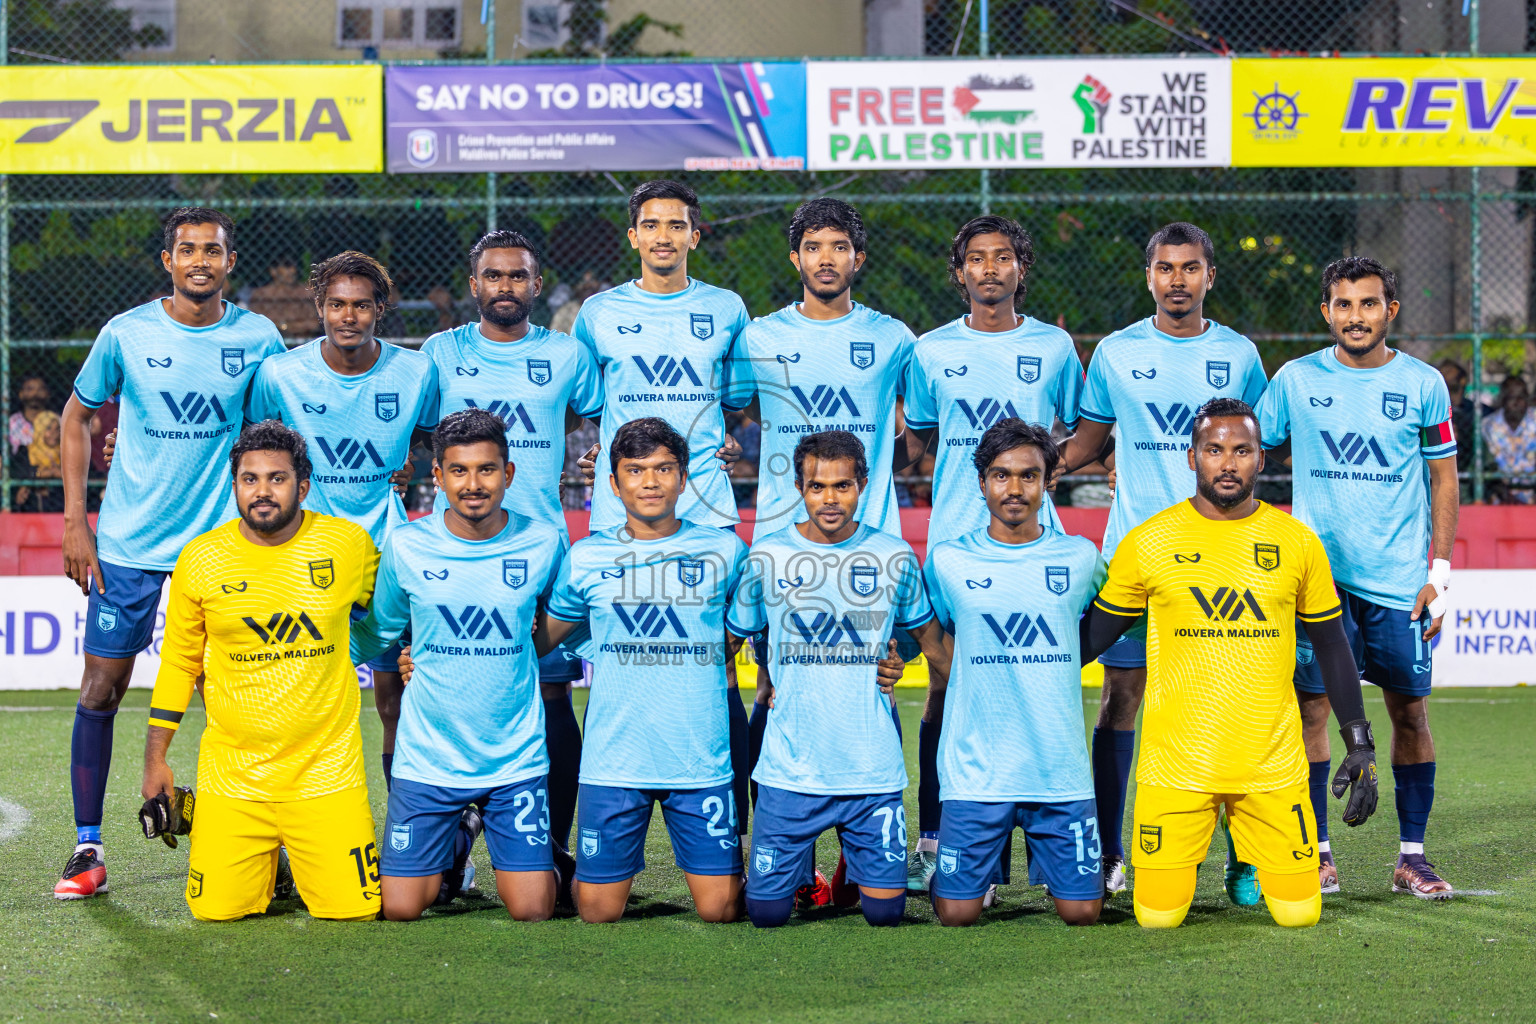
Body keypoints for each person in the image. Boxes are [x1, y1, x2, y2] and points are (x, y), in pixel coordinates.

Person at [54, 207, 285, 900]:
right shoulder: (126, 333)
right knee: (101, 690)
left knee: (233, 701)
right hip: (127, 545)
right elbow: (75, 417)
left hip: (220, 551)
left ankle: (255, 844)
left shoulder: (258, 337)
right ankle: (86, 847)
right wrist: (75, 521)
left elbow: (271, 435)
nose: (200, 261)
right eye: (187, 250)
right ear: (168, 261)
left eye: (212, 251)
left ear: (230, 262)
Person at [1082, 398, 1380, 929]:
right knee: (1156, 919)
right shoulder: (1148, 541)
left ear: (1261, 460)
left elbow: (1334, 647)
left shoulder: (1297, 542)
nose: (1228, 462)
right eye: (1214, 450)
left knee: (1299, 915)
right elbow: (1087, 640)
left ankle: (1244, 860)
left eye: (1241, 450)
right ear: (1191, 456)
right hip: (1175, 768)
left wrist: (1359, 741)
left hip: (1271, 767)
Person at [1054, 222, 1268, 902]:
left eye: (1191, 267)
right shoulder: (1116, 353)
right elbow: (1088, 440)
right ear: (1149, 276)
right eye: (1166, 267)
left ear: (1210, 276)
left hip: (1222, 564)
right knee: (1120, 701)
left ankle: (1246, 858)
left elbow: (1261, 446)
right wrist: (1023, 468)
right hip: (1136, 561)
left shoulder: (1238, 354)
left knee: (1233, 708)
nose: (1178, 279)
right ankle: (1112, 852)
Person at [721, 198, 920, 894]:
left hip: (870, 543)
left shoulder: (894, 337)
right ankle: (789, 855)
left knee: (876, 683)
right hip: (781, 542)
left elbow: (919, 422)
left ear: (857, 258)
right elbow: (728, 412)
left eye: (840, 246)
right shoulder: (758, 336)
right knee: (772, 685)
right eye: (813, 246)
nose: (826, 258)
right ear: (795, 258)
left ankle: (864, 853)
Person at [1257, 257, 1460, 898]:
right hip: (1318, 582)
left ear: (1389, 312)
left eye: (1368, 304)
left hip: (1399, 583)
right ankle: (1318, 854)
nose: (1355, 317)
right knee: (1312, 711)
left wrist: (1442, 572)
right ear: (1326, 312)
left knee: (1410, 714)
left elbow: (1444, 477)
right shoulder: (1294, 380)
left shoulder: (1424, 384)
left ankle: (1412, 857)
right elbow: (1244, 449)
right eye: (1343, 305)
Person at [898, 215, 1085, 891]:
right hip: (953, 545)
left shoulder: (1056, 347)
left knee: (1041, 679)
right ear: (960, 273)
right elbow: (919, 438)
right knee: (946, 686)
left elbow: (1085, 426)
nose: (989, 270)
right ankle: (935, 837)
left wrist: (1054, 474)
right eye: (976, 260)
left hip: (1036, 545)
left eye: (1003, 257)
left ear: (1020, 269)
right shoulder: (929, 351)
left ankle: (1049, 838)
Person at [571, 180, 753, 841]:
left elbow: (734, 400)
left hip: (706, 512)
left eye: (677, 225)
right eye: (651, 225)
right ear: (634, 237)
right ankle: (591, 836)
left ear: (694, 236)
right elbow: (593, 406)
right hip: (620, 521)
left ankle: (732, 837)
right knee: (616, 668)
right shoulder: (597, 313)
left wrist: (719, 445)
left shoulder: (727, 309)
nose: (664, 237)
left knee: (718, 666)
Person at [141, 421, 381, 921]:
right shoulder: (201, 558)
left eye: (277, 478)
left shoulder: (348, 545)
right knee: (215, 911)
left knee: (356, 909)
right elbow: (180, 663)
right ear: (234, 485)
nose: (262, 491)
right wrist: (155, 760)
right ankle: (252, 850)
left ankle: (294, 855)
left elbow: (395, 611)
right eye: (249, 479)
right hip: (234, 777)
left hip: (325, 774)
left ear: (304, 486)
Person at [421, 230, 604, 854]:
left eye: (518, 276)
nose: (506, 286)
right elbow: (412, 429)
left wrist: (600, 449)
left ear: (534, 284)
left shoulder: (567, 354)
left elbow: (601, 416)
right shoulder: (440, 354)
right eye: (493, 276)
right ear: (475, 285)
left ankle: (550, 841)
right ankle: (448, 845)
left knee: (553, 690)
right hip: (455, 549)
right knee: (453, 687)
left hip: (540, 550)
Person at [725, 430, 950, 928]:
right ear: (800, 489)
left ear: (863, 485)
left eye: (843, 486)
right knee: (765, 914)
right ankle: (811, 873)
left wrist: (903, 661)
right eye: (817, 486)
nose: (830, 499)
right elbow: (732, 639)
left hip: (869, 765)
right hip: (790, 767)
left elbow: (925, 639)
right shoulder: (766, 556)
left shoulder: (893, 556)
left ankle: (854, 869)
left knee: (886, 915)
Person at [351, 409, 568, 922]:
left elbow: (560, 623)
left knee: (533, 909)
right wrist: (326, 656)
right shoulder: (406, 545)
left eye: (487, 469)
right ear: (439, 476)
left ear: (508, 474)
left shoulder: (543, 543)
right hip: (429, 755)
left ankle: (546, 856)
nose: (474, 484)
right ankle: (454, 845)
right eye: (460, 471)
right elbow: (381, 628)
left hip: (513, 756)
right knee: (401, 908)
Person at [537, 418, 750, 923]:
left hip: (698, 758)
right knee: (595, 912)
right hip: (615, 758)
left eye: (663, 469)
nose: (650, 482)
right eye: (635, 471)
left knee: (721, 910)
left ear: (685, 476)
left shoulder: (726, 551)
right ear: (613, 483)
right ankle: (555, 866)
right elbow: (541, 640)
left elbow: (746, 629)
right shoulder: (586, 556)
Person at [246, 251, 439, 797]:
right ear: (319, 307)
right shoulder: (280, 374)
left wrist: (407, 464)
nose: (347, 316)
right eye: (336, 305)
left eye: (360, 306)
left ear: (381, 309)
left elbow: (434, 437)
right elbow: (258, 451)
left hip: (387, 553)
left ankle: (416, 837)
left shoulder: (415, 370)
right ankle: (288, 837)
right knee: (297, 701)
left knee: (395, 699)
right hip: (306, 557)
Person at [924, 419, 1106, 926]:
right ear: (982, 481)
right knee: (956, 915)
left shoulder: (1080, 557)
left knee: (1083, 914)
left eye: (1029, 476)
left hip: (1058, 769)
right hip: (976, 770)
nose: (1014, 489)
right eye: (1001, 476)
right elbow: (930, 634)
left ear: (1049, 482)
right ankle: (968, 874)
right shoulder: (948, 559)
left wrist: (1066, 659)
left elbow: (1108, 621)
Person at [1482, 373, 1536, 505]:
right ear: (1503, 399)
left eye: (1521, 398)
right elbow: (1487, 466)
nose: (1517, 403)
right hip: (1500, 496)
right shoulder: (1488, 426)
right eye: (1512, 398)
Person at [245, 257, 317, 339]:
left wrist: (283, 326)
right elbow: (257, 325)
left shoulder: (305, 292)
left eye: (294, 267)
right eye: (287, 266)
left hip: (302, 341)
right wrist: (295, 326)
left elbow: (314, 324)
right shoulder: (261, 294)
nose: (293, 271)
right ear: (273, 271)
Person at [15, 409, 65, 512]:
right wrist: (41, 473)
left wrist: (58, 474)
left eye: (57, 429)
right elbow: (21, 473)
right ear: (39, 429)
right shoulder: (25, 452)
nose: (54, 433)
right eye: (48, 428)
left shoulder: (65, 453)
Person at [8, 374, 52, 456]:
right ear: (21, 394)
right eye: (29, 389)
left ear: (48, 394)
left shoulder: (57, 422)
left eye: (40, 389)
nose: (35, 394)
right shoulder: (11, 423)